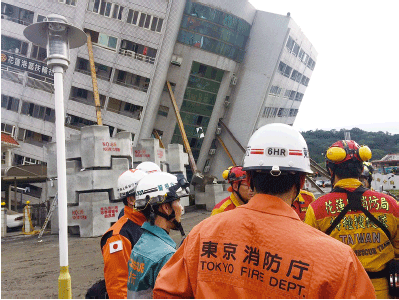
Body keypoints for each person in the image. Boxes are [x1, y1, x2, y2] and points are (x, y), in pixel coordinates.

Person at [153, 123, 374, 298]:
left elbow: (166, 292)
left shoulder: (202, 234)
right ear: (302, 179)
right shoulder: (339, 261)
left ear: (248, 178)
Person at [305, 140, 399, 298]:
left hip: (339, 292)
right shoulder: (391, 204)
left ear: (330, 170)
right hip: (381, 292)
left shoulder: (316, 209)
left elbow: (310, 258)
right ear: (362, 168)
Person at [126, 172, 189, 299]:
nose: (181, 208)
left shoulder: (141, 244)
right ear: (166, 207)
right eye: (178, 202)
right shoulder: (165, 255)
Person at [100, 169, 147, 299]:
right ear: (132, 199)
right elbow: (119, 288)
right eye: (147, 193)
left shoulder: (148, 225)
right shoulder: (118, 237)